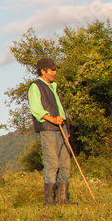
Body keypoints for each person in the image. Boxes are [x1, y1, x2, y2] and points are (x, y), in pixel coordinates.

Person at [27, 57, 73, 205]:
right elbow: (36, 109)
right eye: (52, 70)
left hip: (62, 128)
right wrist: (52, 119)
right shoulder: (35, 86)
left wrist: (67, 128)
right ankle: (49, 201)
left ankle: (62, 199)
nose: (55, 72)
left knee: (65, 164)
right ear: (43, 71)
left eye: (55, 70)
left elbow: (60, 108)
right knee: (52, 164)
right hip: (48, 128)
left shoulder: (54, 86)